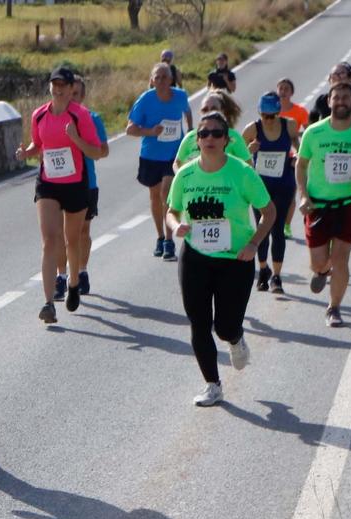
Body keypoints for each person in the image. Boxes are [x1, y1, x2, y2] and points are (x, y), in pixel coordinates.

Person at [169, 109, 275, 406]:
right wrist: (176, 226)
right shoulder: (186, 174)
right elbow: (172, 210)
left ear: (227, 140)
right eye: (204, 134)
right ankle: (213, 385)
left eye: (217, 133)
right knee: (198, 323)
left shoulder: (242, 172)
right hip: (195, 257)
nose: (210, 138)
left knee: (225, 326)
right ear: (197, 140)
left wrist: (254, 243)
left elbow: (269, 212)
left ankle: (236, 338)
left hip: (235, 259)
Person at [20, 64, 103, 322]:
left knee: (72, 240)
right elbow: (38, 144)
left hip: (76, 184)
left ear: (70, 90)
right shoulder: (39, 115)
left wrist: (76, 138)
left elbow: (96, 152)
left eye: (62, 86)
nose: (57, 89)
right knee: (49, 240)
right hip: (48, 182)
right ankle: (47, 303)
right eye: (53, 85)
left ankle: (74, 283)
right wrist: (27, 153)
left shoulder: (81, 116)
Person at [298, 81, 351, 328]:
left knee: (341, 258)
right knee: (318, 261)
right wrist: (303, 195)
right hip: (318, 205)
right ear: (329, 101)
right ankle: (321, 271)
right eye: (337, 98)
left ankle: (334, 307)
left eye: (346, 97)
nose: (341, 102)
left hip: (349, 204)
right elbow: (301, 165)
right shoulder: (314, 133)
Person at [128, 61, 192, 260]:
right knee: (155, 197)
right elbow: (130, 129)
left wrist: (189, 130)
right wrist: (150, 131)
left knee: (166, 193)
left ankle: (169, 241)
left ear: (171, 79)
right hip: (150, 155)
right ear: (152, 81)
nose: (162, 81)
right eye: (158, 77)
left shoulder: (180, 96)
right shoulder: (145, 100)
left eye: (165, 77)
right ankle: (160, 236)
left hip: (174, 155)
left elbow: (187, 110)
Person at [53, 76, 107, 301]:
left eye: (75, 94)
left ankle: (81, 271)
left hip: (86, 184)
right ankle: (61, 276)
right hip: (58, 184)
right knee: (59, 234)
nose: (70, 98)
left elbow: (103, 150)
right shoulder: (53, 117)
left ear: (81, 96)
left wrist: (77, 139)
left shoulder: (91, 118)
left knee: (81, 233)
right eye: (67, 93)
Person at [244, 90, 298, 294]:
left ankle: (277, 276)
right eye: (264, 115)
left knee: (278, 230)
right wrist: (249, 149)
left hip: (283, 183)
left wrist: (296, 156)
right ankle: (263, 269)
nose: (268, 119)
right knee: (262, 230)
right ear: (259, 113)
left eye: (272, 115)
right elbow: (236, 154)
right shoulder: (252, 128)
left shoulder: (289, 125)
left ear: (278, 112)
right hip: (260, 186)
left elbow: (298, 147)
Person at [178, 92, 252, 166]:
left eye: (214, 109)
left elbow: (248, 165)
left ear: (223, 111)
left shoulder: (234, 137)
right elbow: (177, 163)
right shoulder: (190, 137)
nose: (209, 113)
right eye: (205, 110)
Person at [308, 62, 351, 132]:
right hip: (327, 141)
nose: (338, 77)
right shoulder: (322, 100)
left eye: (342, 74)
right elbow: (312, 120)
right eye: (334, 74)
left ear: (350, 79)